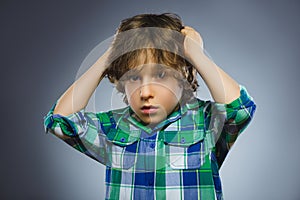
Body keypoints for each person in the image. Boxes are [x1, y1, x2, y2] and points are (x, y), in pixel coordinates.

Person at [44, 13, 256, 200]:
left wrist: (195, 55)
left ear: (183, 75)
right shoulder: (113, 127)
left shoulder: (206, 121)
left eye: (161, 75)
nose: (145, 92)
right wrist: (109, 56)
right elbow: (61, 121)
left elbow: (240, 109)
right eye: (134, 77)